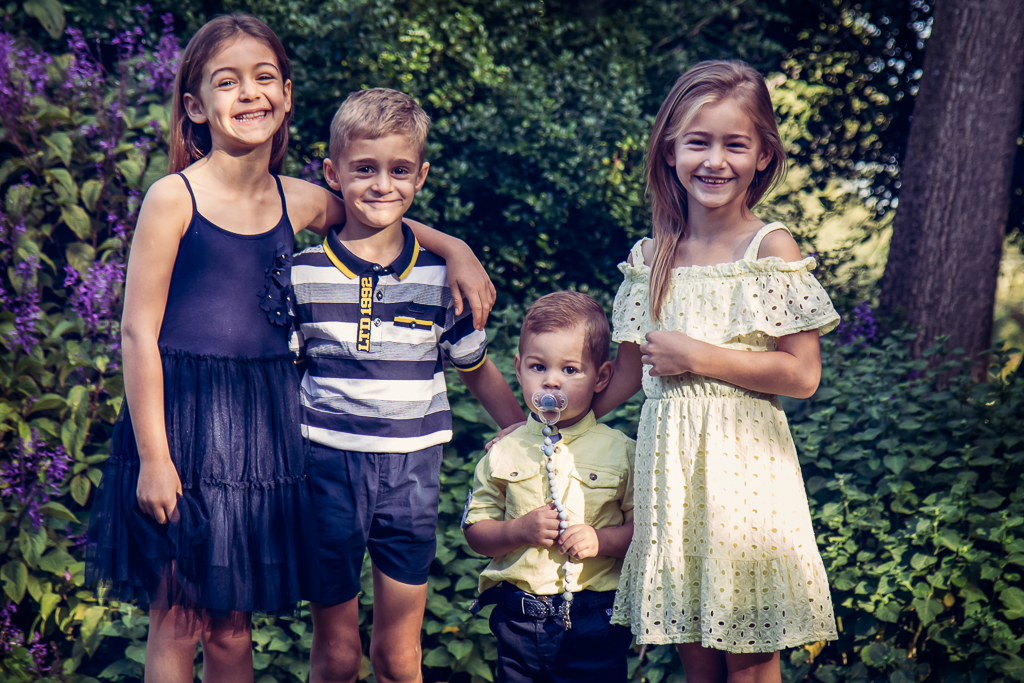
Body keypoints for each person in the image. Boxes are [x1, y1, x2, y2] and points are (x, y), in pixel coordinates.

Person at [85, 16, 494, 683]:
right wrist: (155, 457)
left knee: (231, 629)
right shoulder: (173, 197)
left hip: (259, 428)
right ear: (195, 106)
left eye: (264, 77)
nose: (250, 92)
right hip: (181, 422)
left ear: (286, 95)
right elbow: (137, 333)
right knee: (179, 619)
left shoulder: (296, 199)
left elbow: (376, 212)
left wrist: (456, 248)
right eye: (227, 81)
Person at [592, 60, 840, 682]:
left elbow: (802, 375)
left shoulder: (769, 249)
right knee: (697, 665)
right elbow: (626, 377)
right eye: (698, 143)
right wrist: (544, 425)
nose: (714, 161)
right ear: (669, 150)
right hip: (671, 482)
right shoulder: (650, 257)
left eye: (735, 144)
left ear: (764, 155)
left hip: (747, 484)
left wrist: (698, 356)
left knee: (751, 669)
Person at [291, 87, 525, 683]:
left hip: (411, 475)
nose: (381, 185)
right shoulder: (301, 274)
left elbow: (474, 365)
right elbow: (280, 376)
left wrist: (523, 432)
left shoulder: (443, 277)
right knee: (337, 656)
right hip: (326, 471)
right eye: (364, 169)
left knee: (398, 657)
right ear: (332, 174)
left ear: (420, 176)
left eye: (399, 170)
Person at [463, 291, 635, 683]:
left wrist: (601, 540)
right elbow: (475, 532)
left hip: (596, 621)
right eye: (538, 366)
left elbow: (644, 533)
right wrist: (517, 530)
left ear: (601, 377)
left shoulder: (622, 451)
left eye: (570, 370)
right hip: (517, 623)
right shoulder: (502, 450)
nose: (552, 380)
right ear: (519, 369)